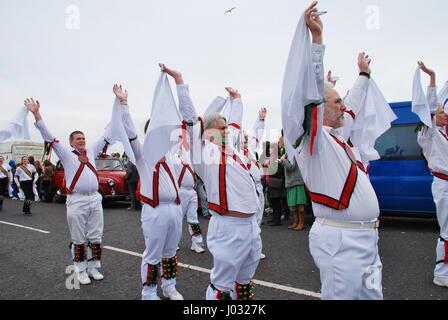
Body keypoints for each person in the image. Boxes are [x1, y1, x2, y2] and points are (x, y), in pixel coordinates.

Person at [281, 2, 383, 300]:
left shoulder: (338, 137)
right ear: (320, 109)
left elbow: (355, 103)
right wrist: (316, 42)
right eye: (337, 101)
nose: (343, 106)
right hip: (341, 239)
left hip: (366, 238)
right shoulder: (313, 142)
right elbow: (309, 94)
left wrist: (363, 76)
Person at [162, 64, 262, 300]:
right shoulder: (202, 153)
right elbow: (189, 118)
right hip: (228, 226)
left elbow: (235, 125)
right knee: (222, 285)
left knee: (245, 282)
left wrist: (236, 100)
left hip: (251, 226)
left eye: (226, 129)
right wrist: (180, 82)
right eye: (220, 129)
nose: (226, 132)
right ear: (206, 132)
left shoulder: (235, 153)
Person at [25, 97, 114, 286]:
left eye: (83, 138)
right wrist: (36, 113)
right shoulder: (66, 154)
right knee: (79, 237)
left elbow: (108, 134)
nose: (82, 140)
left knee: (96, 235)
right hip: (77, 200)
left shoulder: (91, 151)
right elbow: (48, 136)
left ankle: (93, 267)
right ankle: (80, 269)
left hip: (95, 199)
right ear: (71, 143)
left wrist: (119, 103)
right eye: (78, 139)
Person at [117, 84, 184, 300]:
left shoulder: (173, 154)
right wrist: (125, 105)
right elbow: (130, 133)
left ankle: (169, 286)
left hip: (175, 208)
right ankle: (148, 292)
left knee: (171, 254)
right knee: (153, 255)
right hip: (154, 211)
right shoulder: (142, 154)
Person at [414, 62, 448, 288]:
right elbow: (429, 108)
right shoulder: (428, 134)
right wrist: (433, 81)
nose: (443, 114)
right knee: (447, 230)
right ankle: (442, 272)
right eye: (440, 112)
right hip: (444, 186)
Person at [280, 153, 307, 231]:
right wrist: (282, 161)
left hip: (297, 182)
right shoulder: (288, 153)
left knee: (299, 204)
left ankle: (301, 223)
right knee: (293, 205)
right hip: (291, 182)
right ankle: (296, 222)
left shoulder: (294, 154)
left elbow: (291, 167)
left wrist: (283, 160)